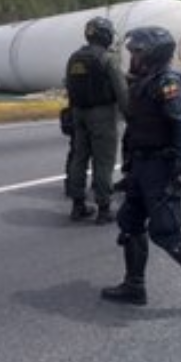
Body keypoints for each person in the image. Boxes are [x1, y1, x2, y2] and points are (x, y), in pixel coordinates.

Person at [101, 26, 181, 315]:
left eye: (137, 53)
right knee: (129, 223)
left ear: (153, 54)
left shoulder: (167, 82)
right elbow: (135, 130)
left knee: (166, 231)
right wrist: (129, 169)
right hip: (142, 166)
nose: (132, 57)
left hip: (161, 166)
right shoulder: (142, 82)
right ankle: (134, 286)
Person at [65, 16, 128, 224]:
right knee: (103, 162)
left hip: (78, 114)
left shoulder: (74, 57)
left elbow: (69, 86)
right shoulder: (107, 59)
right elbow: (122, 91)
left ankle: (77, 206)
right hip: (102, 115)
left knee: (79, 159)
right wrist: (131, 117)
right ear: (106, 36)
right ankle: (103, 209)